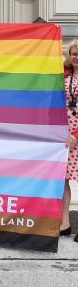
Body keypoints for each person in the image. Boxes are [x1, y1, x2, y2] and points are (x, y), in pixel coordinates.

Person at [62, 40, 78, 242]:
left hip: (76, 134)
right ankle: (64, 224)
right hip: (64, 135)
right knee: (62, 179)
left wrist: (76, 133)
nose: (75, 57)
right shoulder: (65, 74)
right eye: (73, 53)